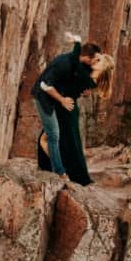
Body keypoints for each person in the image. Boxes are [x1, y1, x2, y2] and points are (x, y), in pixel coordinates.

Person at [31, 37, 105, 185]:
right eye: (95, 59)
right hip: (45, 99)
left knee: (54, 136)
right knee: (53, 135)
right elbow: (44, 85)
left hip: (58, 102)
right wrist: (62, 99)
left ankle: (57, 168)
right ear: (86, 58)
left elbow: (76, 78)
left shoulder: (78, 63)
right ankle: (60, 172)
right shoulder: (64, 64)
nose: (96, 62)